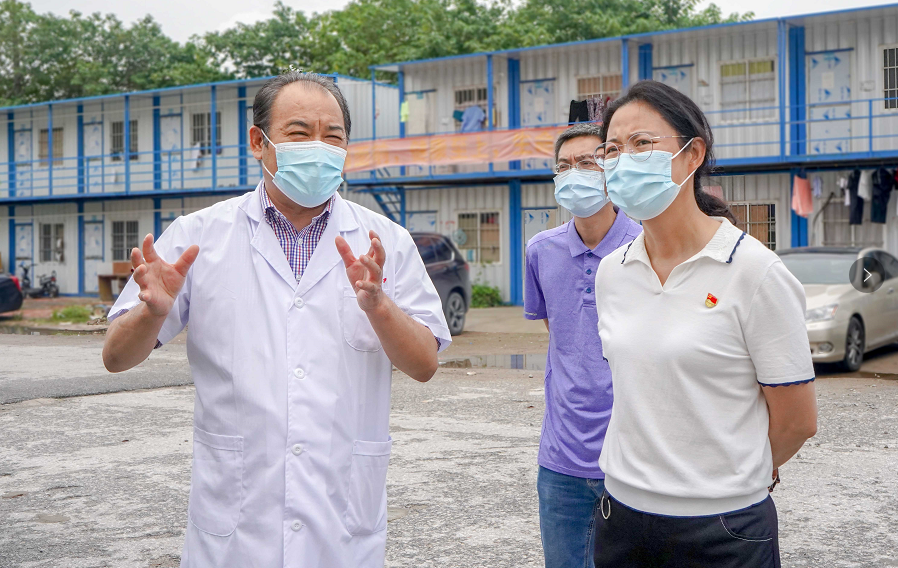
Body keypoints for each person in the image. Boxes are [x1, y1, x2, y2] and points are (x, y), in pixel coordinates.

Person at [102, 72, 451, 568]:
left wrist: (379, 306)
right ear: (258, 141)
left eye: (333, 136)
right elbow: (116, 357)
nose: (318, 147)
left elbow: (425, 364)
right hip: (235, 525)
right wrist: (151, 312)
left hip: (341, 521)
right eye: (299, 132)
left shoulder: (385, 241)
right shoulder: (199, 235)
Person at [592, 80, 818, 568]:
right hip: (620, 517)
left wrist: (730, 477)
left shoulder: (755, 272)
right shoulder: (612, 272)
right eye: (612, 149)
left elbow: (797, 421)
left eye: (641, 143)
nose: (623, 160)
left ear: (692, 155)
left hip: (723, 529)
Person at [523, 123, 641, 568]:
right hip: (561, 460)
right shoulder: (541, 250)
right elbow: (559, 331)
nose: (574, 173)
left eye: (587, 162)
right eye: (564, 166)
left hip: (633, 456)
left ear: (611, 168)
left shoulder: (646, 247)